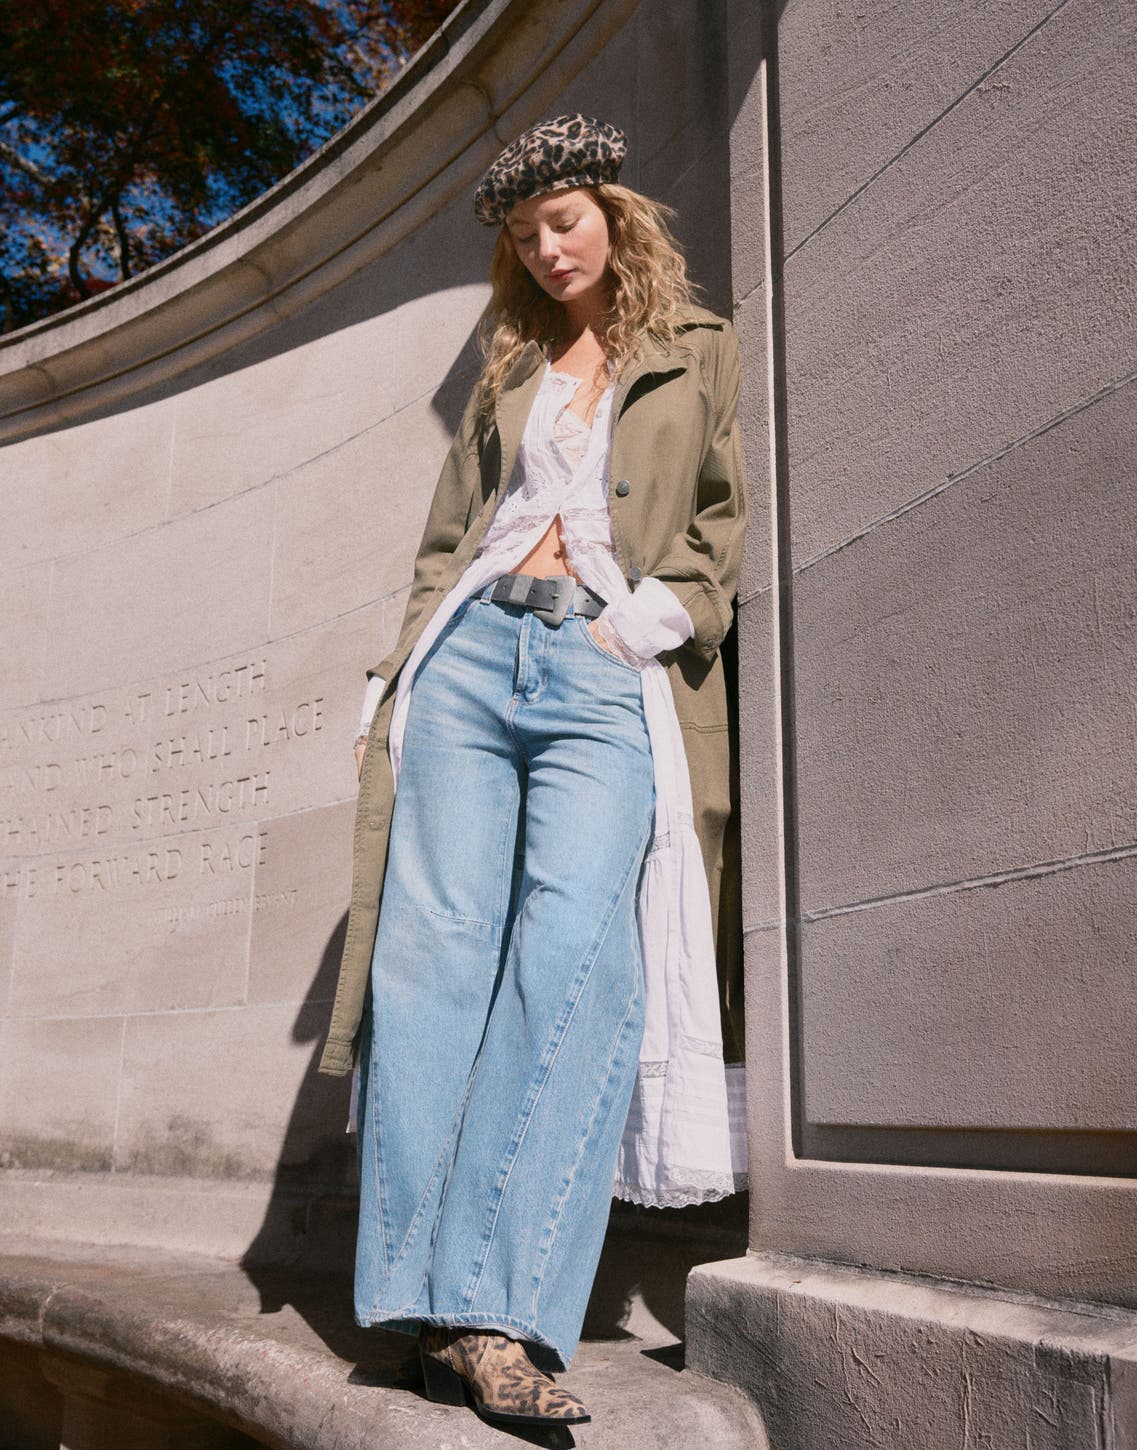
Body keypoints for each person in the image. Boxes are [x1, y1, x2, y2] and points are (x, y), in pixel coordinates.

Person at [317, 113, 749, 1429]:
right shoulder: (508, 368)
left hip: (602, 663)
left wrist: (646, 625)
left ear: (613, 214)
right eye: (524, 234)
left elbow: (720, 522)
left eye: (562, 220)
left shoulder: (698, 348)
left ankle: (494, 1299)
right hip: (467, 659)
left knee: (576, 968)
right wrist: (398, 674)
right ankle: (436, 1315)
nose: (548, 248)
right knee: (433, 964)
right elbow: (448, 539)